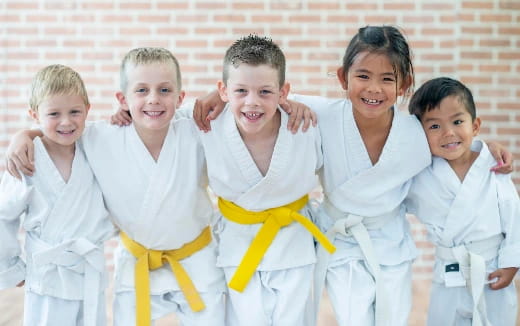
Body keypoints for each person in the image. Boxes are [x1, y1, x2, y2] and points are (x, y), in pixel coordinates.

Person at [191, 26, 514, 326]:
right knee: (351, 316)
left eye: (387, 79)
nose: (374, 88)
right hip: (341, 240)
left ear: (404, 84)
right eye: (363, 75)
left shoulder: (413, 134)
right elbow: (258, 91)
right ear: (344, 77)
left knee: (394, 316)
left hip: (391, 242)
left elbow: (450, 139)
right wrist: (212, 96)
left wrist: (486, 147)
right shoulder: (321, 113)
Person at [4, 48, 227, 326]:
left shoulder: (198, 128)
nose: (154, 99)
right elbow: (59, 131)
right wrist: (24, 134)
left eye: (165, 90)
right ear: (123, 99)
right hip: (137, 263)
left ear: (180, 97)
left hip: (197, 259)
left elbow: (251, 103)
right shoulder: (102, 137)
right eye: (142, 90)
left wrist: (223, 92)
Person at [202, 35, 335, 326]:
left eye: (265, 91)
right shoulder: (205, 124)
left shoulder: (306, 123)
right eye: (241, 91)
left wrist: (297, 103)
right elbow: (155, 117)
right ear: (222, 90)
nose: (252, 102)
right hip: (236, 243)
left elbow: (348, 111)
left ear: (284, 92)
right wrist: (126, 112)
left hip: (293, 243)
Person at [0, 64, 116, 326]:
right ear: (34, 114)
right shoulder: (26, 159)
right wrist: (9, 266)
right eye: (54, 113)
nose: (66, 121)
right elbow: (3, 215)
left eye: (74, 111)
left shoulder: (95, 145)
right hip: (48, 277)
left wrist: (25, 132)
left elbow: (130, 128)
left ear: (88, 109)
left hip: (89, 273)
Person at [406, 77, 520, 326]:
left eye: (458, 122)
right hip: (447, 274)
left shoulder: (492, 164)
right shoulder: (418, 173)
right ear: (418, 133)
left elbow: (514, 215)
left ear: (475, 125)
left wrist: (512, 263)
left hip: (492, 270)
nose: (448, 133)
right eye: (434, 127)